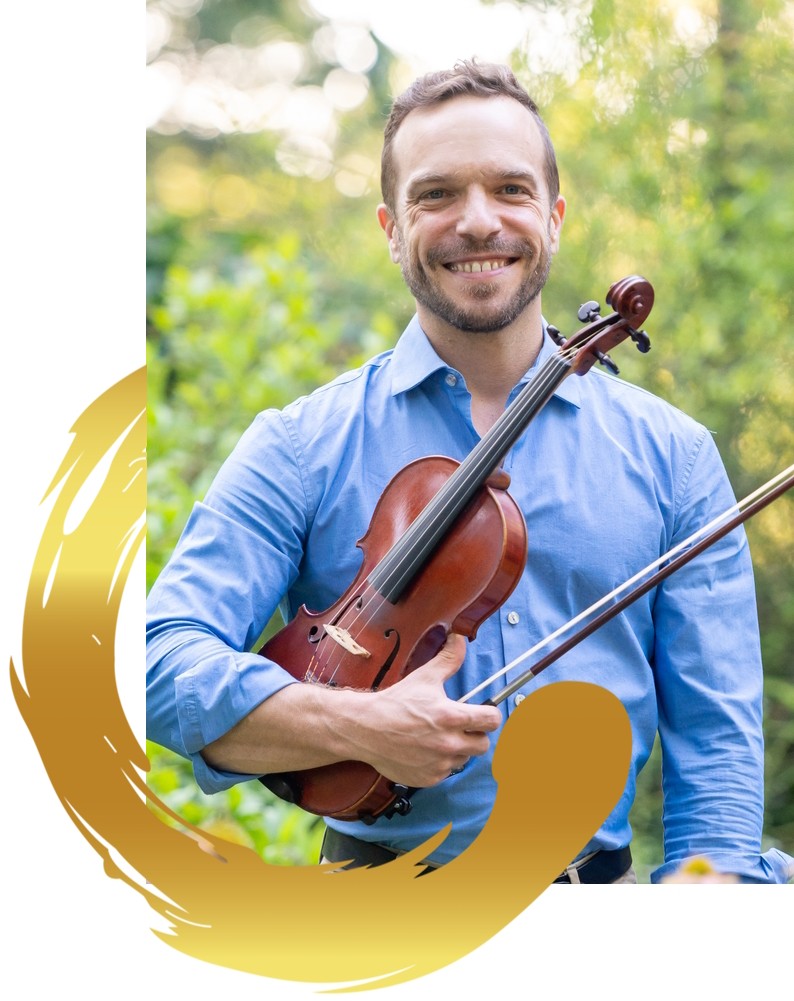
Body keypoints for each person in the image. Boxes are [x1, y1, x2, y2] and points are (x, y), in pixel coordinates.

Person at [146, 60, 792, 884]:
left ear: (553, 217)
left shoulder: (676, 458)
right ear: (390, 226)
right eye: (437, 194)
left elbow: (718, 748)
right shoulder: (303, 444)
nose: (478, 221)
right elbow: (159, 660)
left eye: (510, 190)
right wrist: (356, 723)